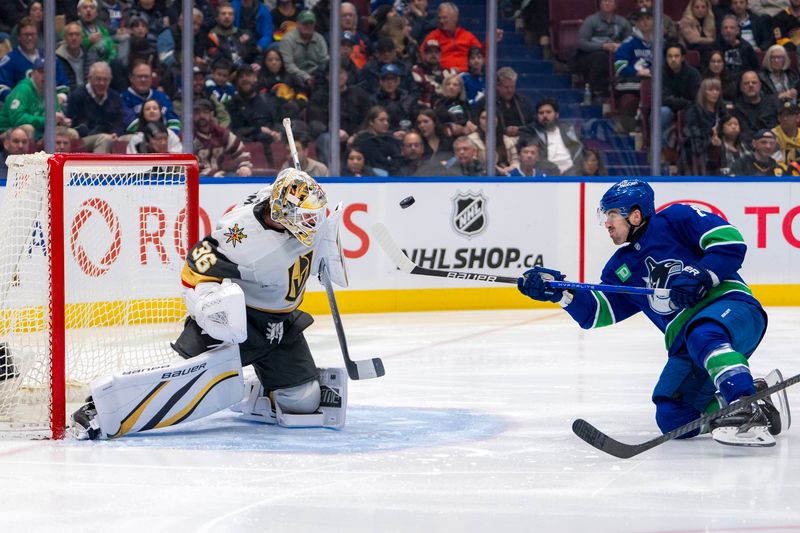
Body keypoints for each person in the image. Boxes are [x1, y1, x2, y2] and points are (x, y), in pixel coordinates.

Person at [69, 169, 350, 439]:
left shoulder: (279, 202)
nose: (314, 223)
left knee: (303, 401)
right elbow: (197, 265)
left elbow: (284, 179)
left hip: (280, 324)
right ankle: (99, 410)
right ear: (283, 212)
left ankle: (257, 391)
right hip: (240, 321)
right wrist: (208, 303)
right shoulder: (242, 237)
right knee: (181, 383)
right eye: (306, 217)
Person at [517, 179, 785, 448]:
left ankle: (745, 408)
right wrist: (560, 293)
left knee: (704, 333)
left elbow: (730, 242)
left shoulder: (675, 219)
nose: (606, 224)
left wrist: (700, 274)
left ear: (635, 215)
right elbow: (597, 313)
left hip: (733, 309)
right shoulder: (620, 267)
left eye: (611, 215)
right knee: (674, 417)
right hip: (687, 345)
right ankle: (753, 396)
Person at [575, 0, 631, 100]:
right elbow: (582, 43)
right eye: (604, 1)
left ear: (615, 5)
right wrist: (603, 46)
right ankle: (598, 92)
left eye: (611, 1)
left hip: (615, 54)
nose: (607, 3)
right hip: (592, 56)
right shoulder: (591, 20)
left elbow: (630, 42)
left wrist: (620, 46)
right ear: (600, 4)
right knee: (600, 58)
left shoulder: (622, 22)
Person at [67, 61, 125, 153]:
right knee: (104, 139)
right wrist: (103, 134)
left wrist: (116, 133)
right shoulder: (78, 95)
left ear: (110, 80)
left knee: (135, 138)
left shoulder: (115, 97)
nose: (102, 83)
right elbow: (76, 125)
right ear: (89, 79)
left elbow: (120, 122)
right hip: (84, 138)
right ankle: (98, 168)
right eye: (98, 79)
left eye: (105, 79)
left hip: (111, 136)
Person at [520, 97, 583, 175]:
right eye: (541, 113)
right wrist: (555, 170)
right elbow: (535, 158)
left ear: (556, 115)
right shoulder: (531, 132)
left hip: (573, 174)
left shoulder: (567, 129)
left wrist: (573, 169)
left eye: (548, 112)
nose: (545, 115)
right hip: (548, 175)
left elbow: (579, 151)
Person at [192, 98, 253, 177]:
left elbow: (240, 151)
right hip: (197, 180)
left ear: (211, 114)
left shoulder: (221, 133)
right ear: (193, 115)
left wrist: (244, 166)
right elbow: (190, 164)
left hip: (220, 177)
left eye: (205, 112)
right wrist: (213, 174)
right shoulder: (188, 136)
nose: (201, 116)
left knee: (235, 176)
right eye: (197, 113)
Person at [419, 2, 486, 73]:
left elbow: (480, 53)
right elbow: (422, 54)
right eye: (439, 18)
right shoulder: (433, 36)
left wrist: (490, 42)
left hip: (468, 74)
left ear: (455, 18)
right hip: (444, 76)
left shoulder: (467, 36)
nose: (441, 21)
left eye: (445, 18)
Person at [681, 78, 725, 175]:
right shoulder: (694, 112)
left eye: (717, 90)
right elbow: (691, 132)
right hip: (700, 148)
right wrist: (710, 140)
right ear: (703, 92)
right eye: (710, 90)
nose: (715, 93)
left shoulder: (722, 112)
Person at [278, 10, 328, 91]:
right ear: (297, 24)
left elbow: (324, 61)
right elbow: (289, 66)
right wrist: (306, 77)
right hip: (295, 76)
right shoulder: (287, 39)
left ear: (314, 24)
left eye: (310, 23)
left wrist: (319, 76)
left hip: (316, 75)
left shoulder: (320, 39)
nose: (308, 26)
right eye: (304, 23)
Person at [732, 70, 781, 142]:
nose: (751, 85)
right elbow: (744, 134)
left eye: (754, 82)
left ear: (760, 85)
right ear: (740, 87)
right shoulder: (737, 109)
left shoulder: (773, 103)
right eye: (746, 83)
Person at [771, 100, 800, 164]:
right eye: (782, 115)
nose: (785, 118)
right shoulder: (772, 135)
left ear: (797, 117)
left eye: (789, 115)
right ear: (778, 118)